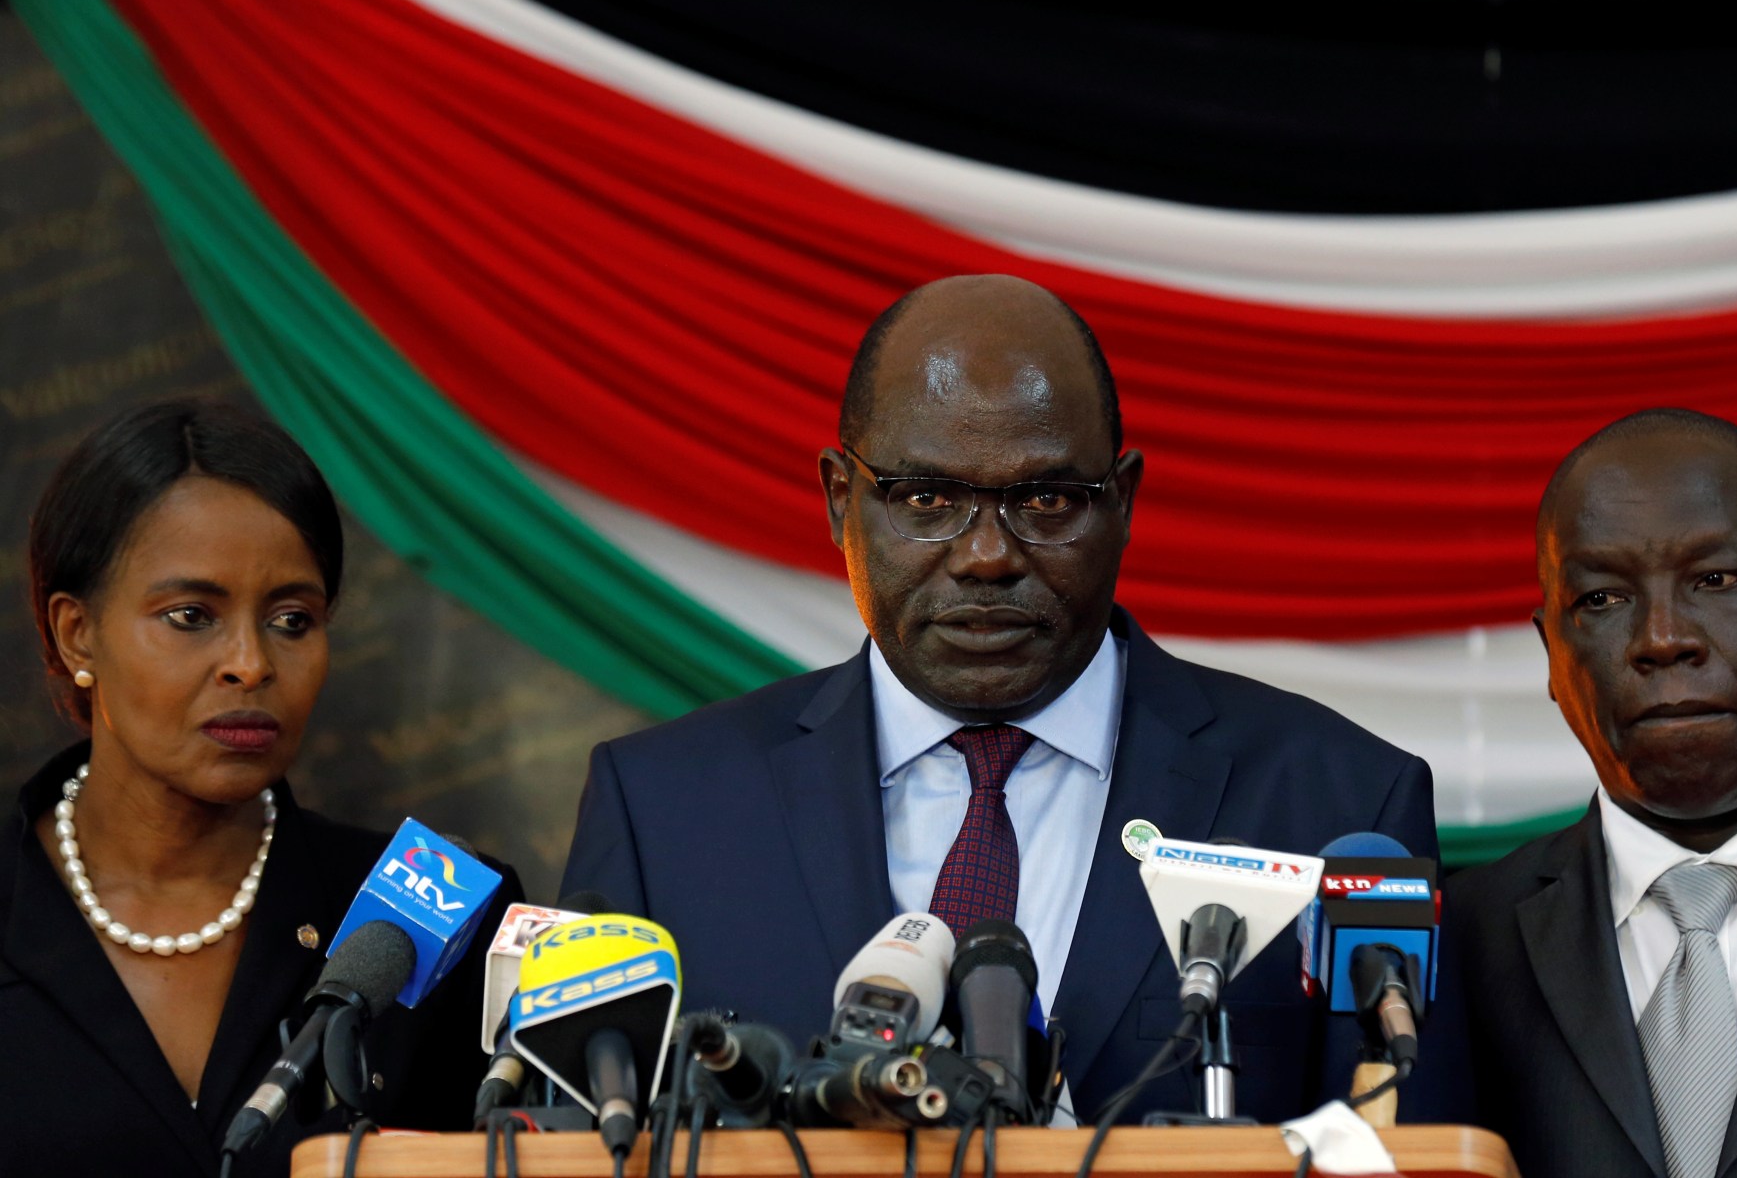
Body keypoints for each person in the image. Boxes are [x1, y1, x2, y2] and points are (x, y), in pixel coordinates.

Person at [563, 274, 1458, 1123]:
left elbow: (1415, 1148)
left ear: (1123, 502)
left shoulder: (1336, 804)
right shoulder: (662, 813)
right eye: (925, 498)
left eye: (1047, 499)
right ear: (840, 501)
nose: (987, 556)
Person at [0, 400, 520, 1177]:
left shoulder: (439, 913)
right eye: (190, 615)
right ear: (78, 633)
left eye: (292, 620)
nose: (250, 663)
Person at [1450, 408, 1737, 1177]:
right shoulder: (1465, 945)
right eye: (1602, 599)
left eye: (1716, 580)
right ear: (1551, 652)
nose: (1662, 639)